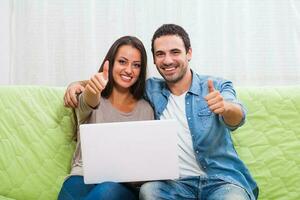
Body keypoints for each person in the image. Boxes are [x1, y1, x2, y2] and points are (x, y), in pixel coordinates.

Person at [64, 24, 258, 200]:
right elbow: (115, 83)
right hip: (175, 185)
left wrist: (226, 108)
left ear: (188, 53)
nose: (168, 60)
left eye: (175, 52)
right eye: (160, 54)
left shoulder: (216, 86)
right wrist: (78, 84)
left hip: (220, 180)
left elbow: (237, 117)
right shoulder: (152, 91)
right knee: (148, 192)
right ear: (155, 60)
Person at [58, 36, 154, 200]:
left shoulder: (146, 109)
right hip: (82, 176)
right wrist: (92, 87)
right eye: (122, 62)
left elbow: (145, 161)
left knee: (106, 191)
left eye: (136, 65)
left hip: (122, 187)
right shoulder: (91, 98)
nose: (129, 70)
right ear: (110, 63)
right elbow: (90, 99)